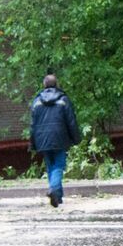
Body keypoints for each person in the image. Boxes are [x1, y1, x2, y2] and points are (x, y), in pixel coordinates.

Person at [28, 74, 81, 208]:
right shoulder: (63, 99)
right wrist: (75, 138)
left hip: (42, 139)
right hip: (59, 137)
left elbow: (33, 124)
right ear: (56, 84)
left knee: (51, 166)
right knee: (58, 165)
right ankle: (54, 189)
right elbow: (71, 121)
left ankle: (58, 197)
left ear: (44, 85)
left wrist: (32, 142)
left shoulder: (37, 101)